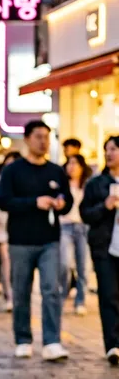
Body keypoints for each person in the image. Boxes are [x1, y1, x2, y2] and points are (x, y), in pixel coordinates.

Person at [0, 120, 73, 362]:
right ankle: (23, 339)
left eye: (47, 137)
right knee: (21, 291)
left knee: (51, 290)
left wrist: (61, 203)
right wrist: (34, 202)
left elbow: (68, 199)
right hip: (20, 240)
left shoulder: (56, 170)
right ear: (28, 139)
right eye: (39, 136)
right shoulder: (13, 170)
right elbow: (4, 201)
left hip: (49, 239)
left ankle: (52, 341)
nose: (43, 142)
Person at [80, 135, 119, 365]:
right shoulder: (97, 184)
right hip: (104, 246)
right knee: (108, 294)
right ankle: (112, 344)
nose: (110, 153)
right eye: (107, 149)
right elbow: (86, 213)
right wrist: (105, 206)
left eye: (114, 149)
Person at [59, 154, 92, 316]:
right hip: (65, 226)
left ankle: (81, 300)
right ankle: (63, 293)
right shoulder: (61, 185)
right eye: (69, 163)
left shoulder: (87, 186)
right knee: (65, 263)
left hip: (83, 227)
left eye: (75, 164)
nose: (72, 167)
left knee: (83, 267)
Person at [0, 151, 22, 313]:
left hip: (21, 228)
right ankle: (9, 296)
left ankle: (18, 296)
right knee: (6, 263)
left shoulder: (24, 181)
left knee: (19, 265)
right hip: (3, 227)